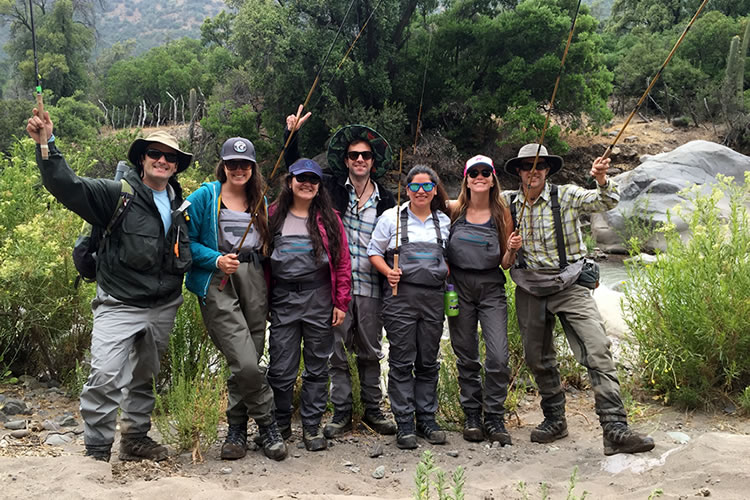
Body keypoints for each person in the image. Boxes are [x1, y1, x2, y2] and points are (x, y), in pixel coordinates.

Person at [26, 109, 192, 462]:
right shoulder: (116, 194)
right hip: (119, 302)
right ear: (142, 159)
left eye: (170, 157)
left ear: (177, 166)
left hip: (164, 305)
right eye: (155, 154)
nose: (162, 161)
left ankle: (135, 439)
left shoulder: (181, 204)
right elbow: (66, 185)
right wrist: (47, 144)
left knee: (144, 377)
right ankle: (97, 449)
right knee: (104, 374)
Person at [503, 143, 655, 456]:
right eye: (527, 166)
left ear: (547, 169)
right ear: (518, 171)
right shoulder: (506, 202)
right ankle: (555, 420)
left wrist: (601, 178)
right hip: (529, 287)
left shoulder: (568, 195)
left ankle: (614, 427)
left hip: (570, 285)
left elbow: (606, 200)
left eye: (539, 165)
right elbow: (470, 204)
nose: (533, 171)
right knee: (537, 358)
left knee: (597, 348)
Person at [283, 112, 397, 438]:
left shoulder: (387, 198)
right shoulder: (330, 187)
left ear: (373, 161)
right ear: (345, 160)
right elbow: (297, 170)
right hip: (338, 287)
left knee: (371, 351)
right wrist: (291, 135)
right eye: (353, 155)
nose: (360, 160)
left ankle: (373, 410)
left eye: (366, 155)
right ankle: (342, 412)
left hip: (372, 285)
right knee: (337, 352)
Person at [185, 137, 287, 461]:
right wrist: (216, 259)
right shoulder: (205, 196)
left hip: (254, 279)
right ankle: (268, 423)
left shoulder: (261, 200)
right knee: (244, 359)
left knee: (247, 359)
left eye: (244, 164)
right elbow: (184, 241)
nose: (238, 169)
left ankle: (237, 430)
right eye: (232, 163)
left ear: (253, 167)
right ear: (223, 166)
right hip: (219, 281)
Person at [267, 157, 352, 452]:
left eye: (313, 179)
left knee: (317, 367)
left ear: (319, 186)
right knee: (281, 367)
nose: (307, 184)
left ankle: (312, 426)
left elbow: (343, 263)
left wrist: (341, 302)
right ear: (290, 181)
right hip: (283, 299)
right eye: (301, 178)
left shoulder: (330, 218)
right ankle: (280, 425)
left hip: (319, 298)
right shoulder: (272, 215)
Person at [368, 165, 451, 450]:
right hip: (399, 298)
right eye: (415, 186)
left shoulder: (444, 221)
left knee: (428, 360)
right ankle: (404, 422)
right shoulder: (391, 217)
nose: (421, 191)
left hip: (433, 299)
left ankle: (427, 419)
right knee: (402, 361)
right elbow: (373, 251)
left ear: (435, 190)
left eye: (427, 186)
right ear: (407, 190)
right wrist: (387, 272)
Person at [446, 155, 522, 445]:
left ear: (493, 180)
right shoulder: (453, 209)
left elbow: (505, 264)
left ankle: (494, 416)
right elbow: (422, 204)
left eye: (485, 172)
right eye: (474, 173)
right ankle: (472, 416)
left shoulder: (502, 214)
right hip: (458, 289)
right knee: (466, 355)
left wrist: (512, 250)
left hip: (491, 287)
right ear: (466, 179)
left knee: (498, 357)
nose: (479, 177)